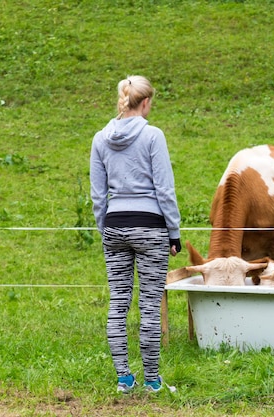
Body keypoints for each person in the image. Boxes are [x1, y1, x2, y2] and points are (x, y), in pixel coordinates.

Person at [90, 75, 181, 394]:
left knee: (118, 302)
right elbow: (164, 189)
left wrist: (106, 229)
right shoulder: (153, 136)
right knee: (149, 304)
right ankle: (153, 381)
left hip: (115, 223)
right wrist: (174, 232)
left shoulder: (100, 138)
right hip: (151, 225)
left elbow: (98, 195)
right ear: (144, 103)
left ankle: (123, 379)